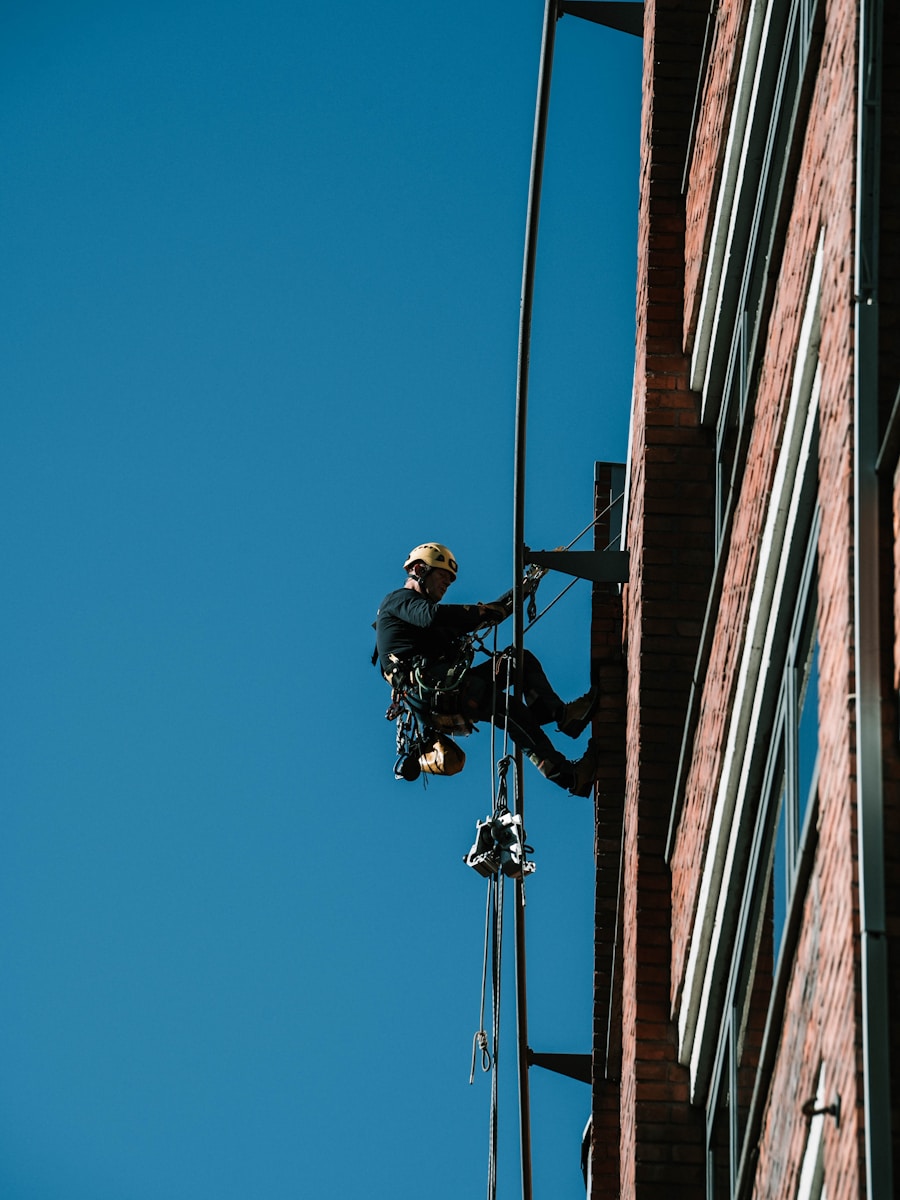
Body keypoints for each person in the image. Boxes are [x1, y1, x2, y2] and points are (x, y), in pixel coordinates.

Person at [375, 542, 599, 796]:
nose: (446, 586)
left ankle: (562, 716)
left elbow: (487, 615)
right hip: (434, 691)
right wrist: (479, 612)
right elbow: (437, 616)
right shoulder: (400, 601)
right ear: (419, 569)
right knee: (510, 710)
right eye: (442, 577)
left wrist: (525, 586)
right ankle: (570, 777)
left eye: (449, 582)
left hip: (446, 688)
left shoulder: (423, 621)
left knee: (517, 662)